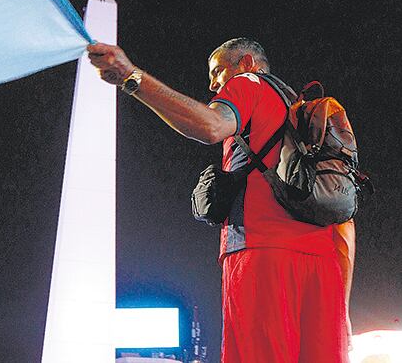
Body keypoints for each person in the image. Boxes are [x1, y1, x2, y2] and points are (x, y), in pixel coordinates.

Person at [87, 37, 350, 363]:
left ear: (247, 64)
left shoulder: (249, 83)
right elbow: (345, 221)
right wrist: (343, 304)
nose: (213, 85)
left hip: (262, 255)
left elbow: (211, 126)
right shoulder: (303, 113)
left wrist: (132, 77)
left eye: (217, 71)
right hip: (324, 267)